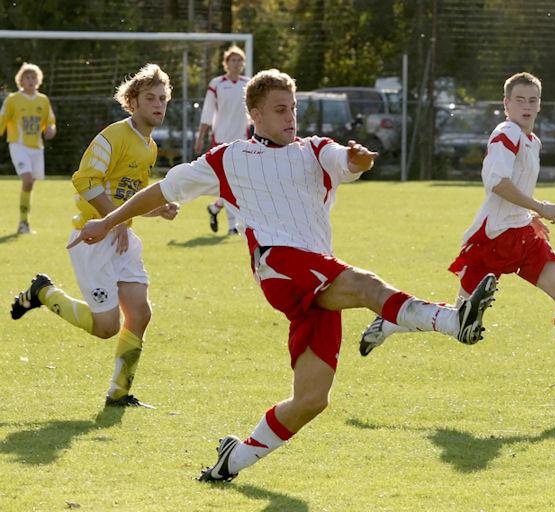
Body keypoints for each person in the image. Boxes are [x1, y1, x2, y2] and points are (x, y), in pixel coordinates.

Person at [67, 68, 498, 481]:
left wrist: (357, 159)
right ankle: (451, 320)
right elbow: (160, 191)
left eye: (292, 108)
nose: (289, 117)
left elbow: (344, 161)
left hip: (318, 275)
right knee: (367, 285)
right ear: (253, 115)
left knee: (311, 400)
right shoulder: (227, 158)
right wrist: (106, 222)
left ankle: (231, 461)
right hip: (279, 265)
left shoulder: (314, 149)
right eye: (279, 109)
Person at [359, 72, 555, 404]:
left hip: (522, 235)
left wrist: (531, 216)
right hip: (492, 238)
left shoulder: (531, 140)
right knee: (461, 324)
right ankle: (394, 319)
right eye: (519, 100)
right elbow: (496, 182)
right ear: (506, 104)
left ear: (540, 104)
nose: (526, 105)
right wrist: (537, 205)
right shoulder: (506, 133)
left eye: (532, 100)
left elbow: (513, 189)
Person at [10, 64, 179, 409]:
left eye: (163, 99)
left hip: (121, 239)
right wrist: (112, 220)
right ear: (132, 102)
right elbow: (84, 180)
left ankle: (119, 393)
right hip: (93, 238)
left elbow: (130, 200)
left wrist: (156, 210)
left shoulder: (149, 147)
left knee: (140, 313)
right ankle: (44, 292)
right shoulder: (113, 136)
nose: (158, 105)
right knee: (105, 327)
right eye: (150, 98)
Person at [194, 44, 251, 235]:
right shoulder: (216, 84)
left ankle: (216, 207)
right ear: (226, 63)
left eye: (239, 60)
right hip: (221, 140)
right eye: (233, 60)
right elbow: (207, 112)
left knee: (240, 184)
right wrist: (200, 136)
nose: (237, 63)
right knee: (230, 183)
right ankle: (232, 226)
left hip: (243, 140)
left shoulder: (248, 83)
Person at [0, 63, 56, 234]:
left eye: (34, 77)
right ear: (21, 81)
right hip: (18, 145)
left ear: (38, 80)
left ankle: (24, 222)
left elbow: (50, 122)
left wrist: (51, 130)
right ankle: (23, 224)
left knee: (30, 185)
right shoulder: (13, 100)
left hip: (37, 148)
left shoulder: (43, 100)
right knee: (27, 180)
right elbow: (2, 119)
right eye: (27, 78)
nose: (31, 80)